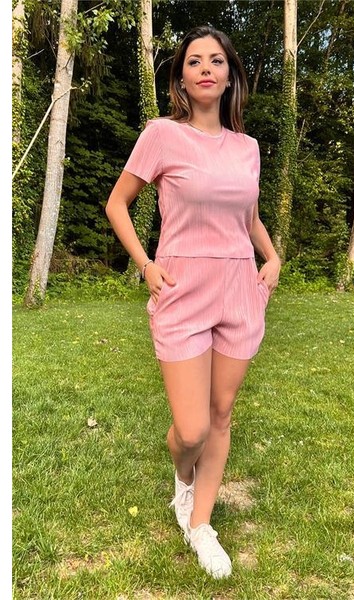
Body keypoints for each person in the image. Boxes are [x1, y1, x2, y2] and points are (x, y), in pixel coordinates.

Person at [105, 25, 281, 579]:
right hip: (182, 289)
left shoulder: (248, 148)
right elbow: (117, 203)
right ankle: (184, 479)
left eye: (217, 61)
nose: (206, 68)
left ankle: (201, 523)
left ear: (230, 76)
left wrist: (272, 257)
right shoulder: (162, 134)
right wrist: (146, 264)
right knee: (191, 429)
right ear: (181, 77)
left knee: (221, 414)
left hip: (239, 289)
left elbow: (248, 217)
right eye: (194, 61)